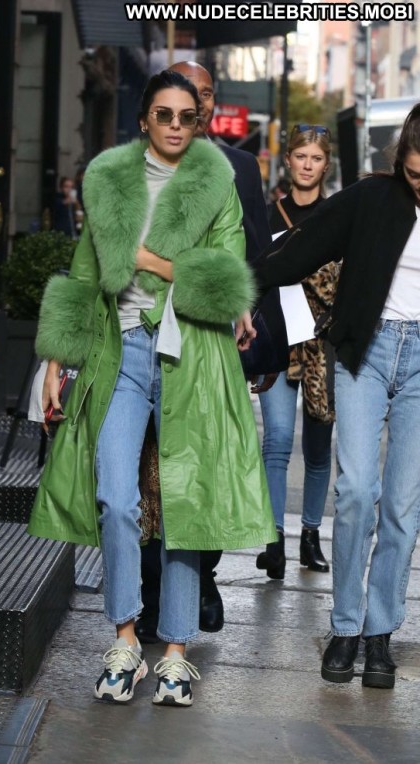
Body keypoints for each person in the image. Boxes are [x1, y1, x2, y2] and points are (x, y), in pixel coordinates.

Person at [29, 70, 276, 706]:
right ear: (143, 119)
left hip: (193, 356)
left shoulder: (215, 181)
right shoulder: (110, 178)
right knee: (115, 498)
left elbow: (224, 284)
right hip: (121, 353)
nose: (174, 125)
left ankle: (175, 653)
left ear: (199, 123)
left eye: (186, 116)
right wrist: (56, 360)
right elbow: (83, 274)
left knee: (185, 505)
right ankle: (124, 641)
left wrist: (145, 260)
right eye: (163, 114)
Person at [257, 103, 420, 690]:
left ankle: (380, 633)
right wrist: (238, 283)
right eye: (415, 173)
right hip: (365, 352)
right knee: (355, 493)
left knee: (402, 507)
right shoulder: (373, 197)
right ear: (400, 160)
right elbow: (305, 247)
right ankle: (345, 626)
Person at [136, 60, 288, 643]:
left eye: (202, 96)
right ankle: (155, 593)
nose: (193, 107)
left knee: (206, 469)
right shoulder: (139, 165)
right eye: (183, 95)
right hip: (151, 343)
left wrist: (264, 345)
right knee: (150, 477)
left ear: (211, 104)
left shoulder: (239, 166)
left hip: (215, 342)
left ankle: (204, 579)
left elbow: (257, 258)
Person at [256, 124, 338, 580]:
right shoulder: (266, 216)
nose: (308, 165)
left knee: (319, 446)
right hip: (276, 341)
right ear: (287, 160)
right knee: (277, 440)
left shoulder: (337, 216)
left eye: (316, 158)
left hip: (323, 345)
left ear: (326, 165)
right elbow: (253, 278)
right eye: (301, 156)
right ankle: (274, 541)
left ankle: (310, 535)